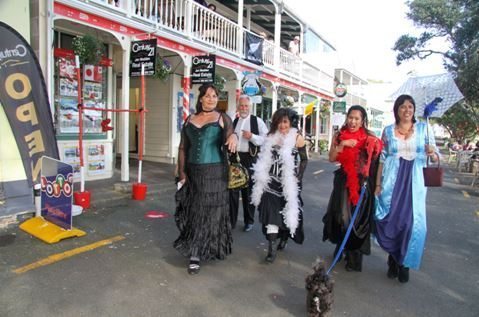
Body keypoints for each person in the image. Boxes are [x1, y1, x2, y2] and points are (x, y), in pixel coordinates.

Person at [174, 84, 238, 275]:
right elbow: (182, 148)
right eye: (207, 95)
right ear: (200, 98)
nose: (211, 99)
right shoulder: (189, 119)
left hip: (215, 174)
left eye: (214, 96)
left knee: (210, 213)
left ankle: (201, 251)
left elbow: (230, 133)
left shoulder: (222, 118)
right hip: (193, 173)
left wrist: (233, 136)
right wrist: (182, 174)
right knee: (194, 211)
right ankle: (195, 250)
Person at [374, 94, 439, 283]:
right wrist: (378, 184)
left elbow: (435, 158)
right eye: (403, 106)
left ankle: (405, 263)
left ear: (414, 110)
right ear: (396, 110)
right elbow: (382, 159)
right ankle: (393, 258)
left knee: (412, 224)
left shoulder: (424, 128)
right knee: (392, 222)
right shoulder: (387, 131)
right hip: (392, 181)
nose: (407, 110)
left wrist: (432, 152)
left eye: (410, 106)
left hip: (415, 182)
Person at [322, 105, 382, 272]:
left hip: (362, 185)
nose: (353, 121)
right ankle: (341, 246)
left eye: (357, 118)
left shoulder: (369, 137)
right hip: (343, 182)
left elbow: (377, 157)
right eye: (350, 117)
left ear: (363, 121)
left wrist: (373, 146)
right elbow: (332, 158)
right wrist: (343, 145)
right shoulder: (339, 135)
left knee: (358, 221)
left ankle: (354, 254)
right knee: (341, 218)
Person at [251, 108, 308, 263]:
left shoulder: (297, 138)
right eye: (279, 122)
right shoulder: (270, 137)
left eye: (285, 122)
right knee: (271, 216)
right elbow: (263, 157)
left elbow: (304, 160)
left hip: (288, 183)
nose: (282, 125)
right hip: (270, 182)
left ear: (291, 122)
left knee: (286, 214)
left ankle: (284, 238)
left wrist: (298, 176)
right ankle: (271, 249)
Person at [229, 95, 268, 231]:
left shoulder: (257, 121)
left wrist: (252, 137)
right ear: (238, 106)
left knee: (248, 192)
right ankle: (231, 221)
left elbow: (266, 139)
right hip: (235, 159)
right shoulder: (233, 121)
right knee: (233, 191)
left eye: (246, 106)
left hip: (250, 159)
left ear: (250, 107)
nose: (243, 108)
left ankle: (249, 221)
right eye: (241, 105)